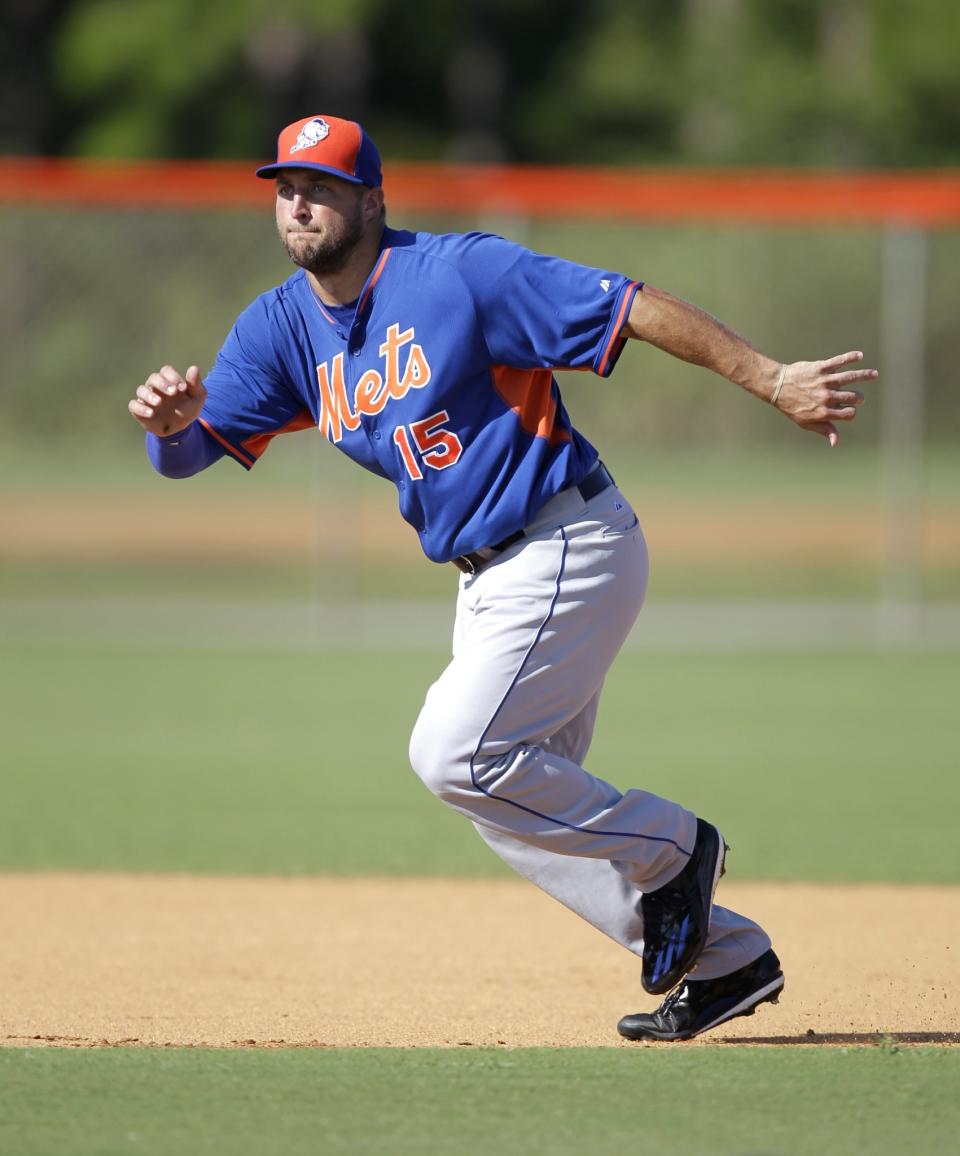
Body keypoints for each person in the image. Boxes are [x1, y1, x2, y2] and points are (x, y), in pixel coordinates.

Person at [128, 115, 876, 1041]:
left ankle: (679, 848)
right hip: (487, 583)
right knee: (512, 799)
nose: (299, 204)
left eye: (320, 185)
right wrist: (168, 429)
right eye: (285, 186)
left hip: (567, 541)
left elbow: (628, 305)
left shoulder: (460, 276)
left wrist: (771, 380)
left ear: (371, 199)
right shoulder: (281, 328)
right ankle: (728, 960)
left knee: (454, 755)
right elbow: (192, 452)